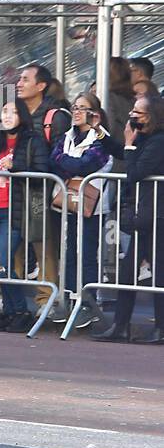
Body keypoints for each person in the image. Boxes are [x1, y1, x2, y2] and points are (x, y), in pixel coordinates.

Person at [92, 95, 164, 342]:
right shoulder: (142, 138)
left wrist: (130, 145)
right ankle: (120, 326)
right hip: (143, 216)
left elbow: (135, 172)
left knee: (160, 276)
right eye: (132, 111)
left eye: (138, 113)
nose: (133, 116)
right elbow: (122, 151)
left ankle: (161, 329)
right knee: (127, 273)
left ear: (153, 115)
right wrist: (100, 132)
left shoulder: (158, 141)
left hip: (157, 216)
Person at [0, 101, 50, 333]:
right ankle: (12, 311)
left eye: (13, 112)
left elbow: (42, 172)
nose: (8, 116)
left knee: (0, 263)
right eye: (4, 111)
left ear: (22, 115)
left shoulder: (33, 140)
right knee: (0, 265)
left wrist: (16, 166)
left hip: (17, 210)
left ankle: (21, 311)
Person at [50, 92, 114, 330]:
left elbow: (87, 165)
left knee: (86, 254)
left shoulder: (100, 140)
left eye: (82, 108)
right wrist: (70, 165)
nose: (76, 112)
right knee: (68, 253)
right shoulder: (67, 136)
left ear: (94, 113)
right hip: (68, 204)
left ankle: (87, 303)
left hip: (92, 208)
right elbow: (52, 159)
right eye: (74, 107)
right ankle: (67, 299)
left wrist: (68, 164)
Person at [16, 62, 71, 317]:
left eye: (25, 79)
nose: (19, 83)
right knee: (12, 242)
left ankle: (46, 299)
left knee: (43, 244)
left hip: (43, 189)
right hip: (15, 188)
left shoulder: (55, 116)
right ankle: (11, 295)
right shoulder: (13, 112)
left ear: (41, 86)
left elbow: (61, 155)